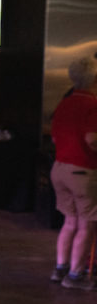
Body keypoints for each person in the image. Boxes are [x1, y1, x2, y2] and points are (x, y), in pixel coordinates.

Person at [49, 55, 97, 288]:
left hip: (59, 168)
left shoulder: (64, 103)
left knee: (70, 221)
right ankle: (76, 276)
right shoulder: (92, 105)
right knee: (86, 224)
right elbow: (92, 140)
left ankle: (60, 269)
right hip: (82, 171)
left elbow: (55, 136)